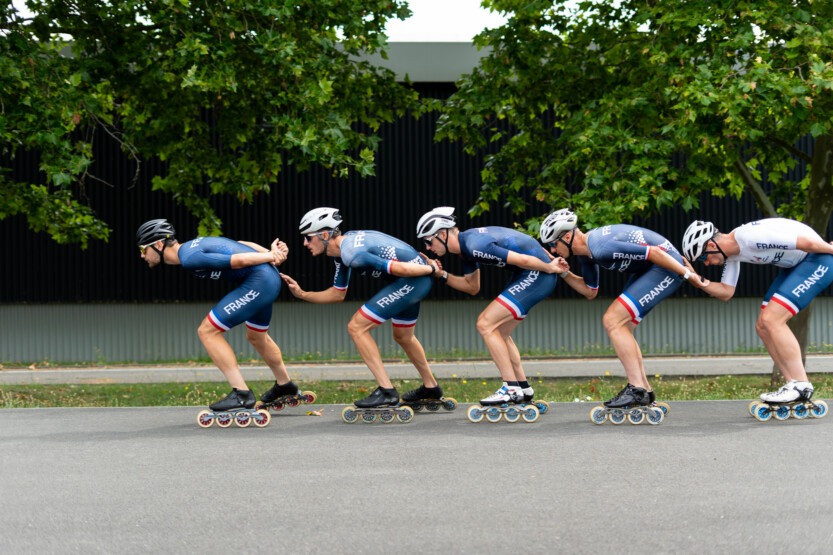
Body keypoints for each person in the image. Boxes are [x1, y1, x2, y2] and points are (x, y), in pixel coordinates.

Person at [539, 208, 703, 413]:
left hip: (665, 266)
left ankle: (637, 389)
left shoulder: (600, 247)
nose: (553, 250)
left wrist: (689, 275)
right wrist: (564, 273)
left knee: (612, 320)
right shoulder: (586, 254)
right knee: (621, 324)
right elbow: (590, 292)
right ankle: (645, 390)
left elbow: (655, 252)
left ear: (568, 236)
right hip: (653, 267)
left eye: (553, 244)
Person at [280, 207, 445, 410]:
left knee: (357, 327)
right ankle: (431, 387)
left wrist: (432, 269)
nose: (304, 243)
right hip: (414, 280)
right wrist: (302, 294)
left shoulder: (352, 253)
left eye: (308, 237)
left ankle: (386, 391)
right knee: (403, 335)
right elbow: (337, 294)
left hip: (412, 279)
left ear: (324, 235)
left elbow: (397, 268)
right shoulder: (342, 251)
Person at [136, 218, 301, 413]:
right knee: (257, 336)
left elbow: (238, 260)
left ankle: (241, 394)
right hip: (266, 279)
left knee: (207, 331)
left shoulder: (190, 258)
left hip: (260, 282)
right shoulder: (192, 245)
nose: (142, 255)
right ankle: (285, 385)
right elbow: (240, 244)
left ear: (158, 244)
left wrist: (272, 255)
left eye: (143, 249)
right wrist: (269, 254)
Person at [416, 206, 567, 407]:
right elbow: (472, 287)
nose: (427, 247)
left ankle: (510, 389)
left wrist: (549, 267)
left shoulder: (474, 245)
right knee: (501, 331)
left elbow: (522, 259)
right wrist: (440, 275)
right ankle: (522, 387)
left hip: (537, 273)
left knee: (485, 324)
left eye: (428, 240)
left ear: (442, 234)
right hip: (532, 273)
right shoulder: (465, 247)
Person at [682, 218, 833, 404]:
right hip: (797, 266)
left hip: (816, 258)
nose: (706, 264)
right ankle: (792, 384)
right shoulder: (733, 253)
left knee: (772, 320)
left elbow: (806, 243)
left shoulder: (748, 237)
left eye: (703, 257)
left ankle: (801, 385)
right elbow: (726, 292)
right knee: (762, 326)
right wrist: (696, 279)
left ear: (712, 244)